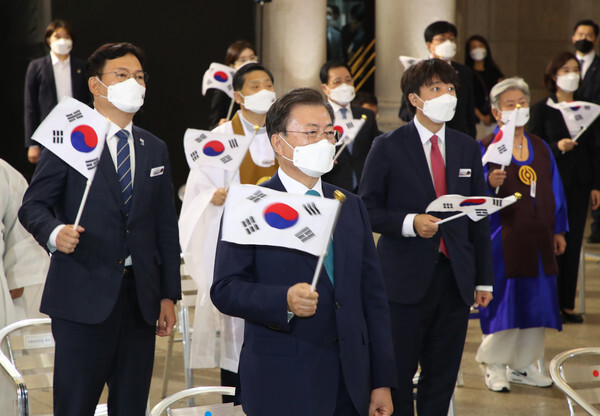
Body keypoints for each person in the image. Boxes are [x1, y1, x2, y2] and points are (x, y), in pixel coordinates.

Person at [211, 87, 396, 416]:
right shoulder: (252, 205)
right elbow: (226, 289)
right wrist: (283, 300)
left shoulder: (350, 205)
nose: (325, 142)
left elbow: (374, 298)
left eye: (329, 133)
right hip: (283, 379)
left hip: (351, 380)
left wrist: (381, 380)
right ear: (279, 143)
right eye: (311, 133)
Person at [18, 42, 181, 415]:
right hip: (82, 297)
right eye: (122, 75)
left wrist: (168, 293)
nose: (134, 83)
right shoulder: (70, 139)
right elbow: (34, 205)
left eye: (139, 77)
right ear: (95, 85)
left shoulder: (153, 148)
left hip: (140, 301)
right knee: (76, 404)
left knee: (131, 404)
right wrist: (55, 233)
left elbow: (164, 227)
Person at [360, 58, 494, 415]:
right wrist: (409, 222)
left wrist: (484, 279)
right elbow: (367, 209)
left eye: (451, 88)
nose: (447, 95)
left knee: (443, 374)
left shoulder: (467, 147)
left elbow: (478, 216)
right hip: (404, 280)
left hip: (455, 279)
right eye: (436, 88)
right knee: (399, 374)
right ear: (415, 99)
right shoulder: (387, 146)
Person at [182, 62, 278, 396]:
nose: (265, 91)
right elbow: (195, 194)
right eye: (255, 86)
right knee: (239, 348)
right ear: (238, 96)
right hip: (239, 254)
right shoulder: (220, 140)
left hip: (280, 253)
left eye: (268, 84)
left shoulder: (286, 136)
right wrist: (213, 196)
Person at [477, 77, 568, 392]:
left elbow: (555, 190)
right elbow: (473, 194)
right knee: (504, 301)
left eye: (522, 102)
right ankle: (496, 365)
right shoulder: (486, 148)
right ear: (496, 111)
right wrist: (489, 180)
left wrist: (558, 229)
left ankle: (525, 365)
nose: (518, 108)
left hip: (539, 239)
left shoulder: (541, 147)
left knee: (536, 300)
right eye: (510, 104)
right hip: (502, 238)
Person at [528, 53, 600, 324]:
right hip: (551, 185)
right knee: (552, 242)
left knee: (573, 244)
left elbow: (595, 150)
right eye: (565, 69)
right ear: (553, 75)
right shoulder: (542, 109)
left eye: (574, 69)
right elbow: (533, 147)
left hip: (580, 183)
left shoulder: (588, 109)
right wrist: (556, 147)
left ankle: (567, 304)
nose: (571, 74)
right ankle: (549, 304)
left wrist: (596, 185)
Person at [24, 19, 90, 165]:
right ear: (48, 39)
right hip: (48, 132)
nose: (62, 41)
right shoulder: (37, 67)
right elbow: (31, 108)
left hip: (77, 130)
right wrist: (32, 143)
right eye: (57, 36)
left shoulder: (80, 67)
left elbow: (88, 100)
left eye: (66, 37)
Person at [399, 21, 477, 138]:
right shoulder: (418, 72)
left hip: (458, 136)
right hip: (426, 137)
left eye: (451, 39)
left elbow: (469, 110)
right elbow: (405, 111)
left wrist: (471, 137)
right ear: (429, 44)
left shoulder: (464, 71)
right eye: (441, 39)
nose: (448, 43)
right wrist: (429, 114)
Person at [320, 60, 380, 193]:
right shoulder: (318, 117)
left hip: (366, 188)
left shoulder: (366, 115)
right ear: (325, 88)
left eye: (348, 80)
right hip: (332, 188)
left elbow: (376, 151)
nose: (344, 86)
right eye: (337, 82)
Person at [570, 20, 600, 242]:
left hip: (596, 131)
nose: (584, 38)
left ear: (596, 39)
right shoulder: (566, 65)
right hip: (569, 133)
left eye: (589, 35)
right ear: (573, 37)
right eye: (580, 34)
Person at [207, 40, 257, 130]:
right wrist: (220, 125)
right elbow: (212, 127)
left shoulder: (262, 87)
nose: (249, 63)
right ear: (232, 65)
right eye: (242, 60)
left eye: (252, 58)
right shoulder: (223, 91)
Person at [464, 34, 504, 135]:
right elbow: (467, 97)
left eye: (480, 46)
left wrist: (492, 115)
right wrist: (481, 117)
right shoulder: (466, 73)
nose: (478, 49)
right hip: (476, 121)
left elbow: (502, 95)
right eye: (474, 47)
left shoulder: (495, 72)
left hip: (494, 119)